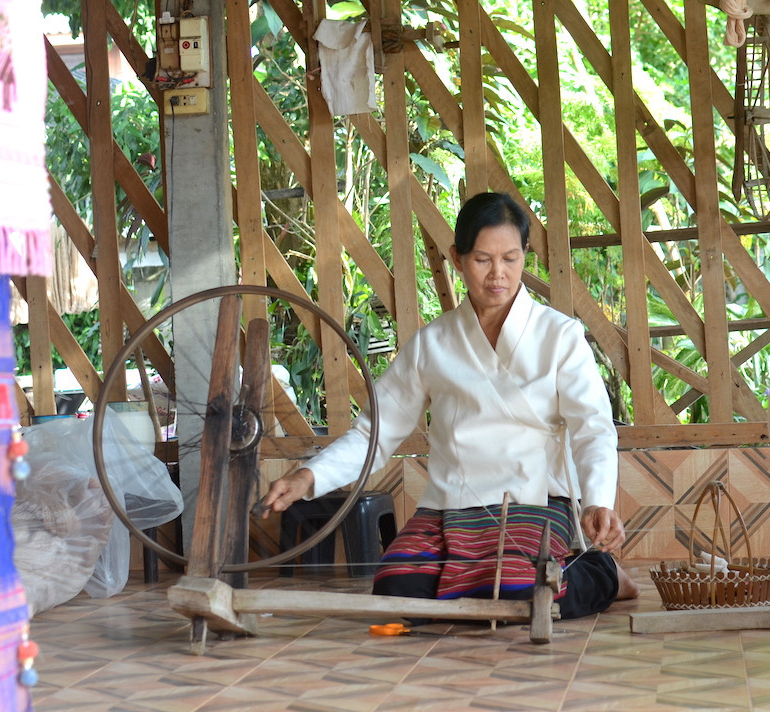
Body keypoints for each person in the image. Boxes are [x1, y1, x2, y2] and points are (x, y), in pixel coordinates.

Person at [260, 192, 638, 617]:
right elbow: (375, 432)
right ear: (457, 259)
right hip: (452, 504)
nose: (498, 274)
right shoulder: (431, 345)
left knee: (515, 594)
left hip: (534, 498)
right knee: (395, 590)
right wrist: (309, 478)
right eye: (482, 260)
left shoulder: (560, 336)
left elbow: (592, 427)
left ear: (525, 256)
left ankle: (603, 574)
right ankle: (569, 577)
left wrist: (596, 500)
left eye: (511, 259)